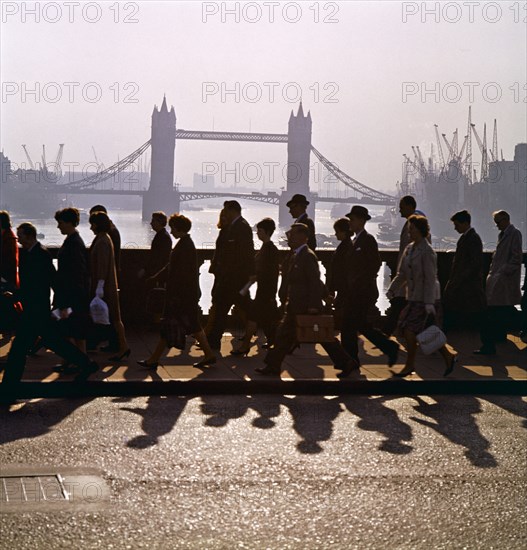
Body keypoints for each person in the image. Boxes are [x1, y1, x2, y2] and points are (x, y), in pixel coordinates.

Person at [1, 223, 98, 391]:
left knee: (19, 348)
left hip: (35, 310)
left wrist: (16, 295)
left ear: (30, 236)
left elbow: (41, 285)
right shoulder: (34, 253)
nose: (19, 239)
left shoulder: (39, 255)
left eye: (21, 236)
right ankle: (86, 364)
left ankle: (9, 386)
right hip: (36, 309)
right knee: (53, 342)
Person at [256, 223, 358, 377]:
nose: (289, 237)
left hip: (305, 306)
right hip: (295, 305)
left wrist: (314, 305)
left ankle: (346, 362)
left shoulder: (307, 256)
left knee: (323, 336)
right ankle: (273, 365)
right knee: (284, 335)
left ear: (302, 237)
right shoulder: (296, 254)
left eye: (292, 234)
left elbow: (314, 281)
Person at [137, 214, 216, 368]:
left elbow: (178, 273)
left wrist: (159, 281)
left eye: (172, 228)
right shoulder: (186, 244)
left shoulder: (184, 246)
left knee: (172, 326)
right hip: (185, 295)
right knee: (192, 325)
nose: (171, 231)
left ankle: (153, 360)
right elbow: (172, 268)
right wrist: (156, 277)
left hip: (180, 296)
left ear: (179, 229)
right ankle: (209, 354)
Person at [387, 215, 457, 377]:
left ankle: (410, 365)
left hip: (426, 299)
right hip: (413, 297)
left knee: (409, 331)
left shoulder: (427, 251)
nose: (409, 232)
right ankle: (448, 356)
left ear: (420, 230)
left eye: (412, 229)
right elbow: (402, 273)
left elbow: (430, 278)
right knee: (424, 331)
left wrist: (429, 303)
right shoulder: (409, 249)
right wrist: (392, 289)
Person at [341, 206, 399, 368]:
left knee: (348, 326)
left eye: (352, 219)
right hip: (355, 292)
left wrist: (360, 281)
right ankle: (389, 347)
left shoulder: (368, 240)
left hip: (362, 292)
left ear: (361, 220)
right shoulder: (355, 241)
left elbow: (374, 264)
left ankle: (350, 360)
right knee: (360, 325)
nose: (350, 223)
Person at [207, 201, 255, 350]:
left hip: (236, 278)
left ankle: (214, 341)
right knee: (226, 308)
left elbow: (246, 254)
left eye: (226, 210)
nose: (224, 213)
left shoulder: (242, 227)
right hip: (230, 278)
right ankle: (214, 340)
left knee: (238, 309)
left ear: (233, 210)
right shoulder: (232, 226)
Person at [475, 210, 523, 355]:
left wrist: (503, 271)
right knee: (500, 310)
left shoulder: (514, 234)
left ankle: (490, 344)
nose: (497, 226)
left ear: (506, 219)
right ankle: (497, 338)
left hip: (503, 280)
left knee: (496, 311)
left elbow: (516, 257)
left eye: (498, 222)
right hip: (499, 280)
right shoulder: (504, 234)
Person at [231, 217, 280, 354]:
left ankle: (245, 346)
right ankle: (275, 341)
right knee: (267, 319)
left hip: (265, 290)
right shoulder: (268, 248)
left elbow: (269, 272)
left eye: (259, 230)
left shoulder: (269, 249)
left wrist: (255, 277)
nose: (257, 233)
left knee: (254, 317)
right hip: (265, 290)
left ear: (266, 232)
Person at [53, 207, 91, 371]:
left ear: (69, 223)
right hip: (74, 294)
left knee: (74, 329)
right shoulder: (74, 240)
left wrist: (66, 298)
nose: (58, 227)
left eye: (60, 223)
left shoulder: (73, 243)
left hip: (72, 295)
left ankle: (78, 361)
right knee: (71, 329)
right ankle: (72, 360)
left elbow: (76, 273)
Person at [89, 211, 130, 361]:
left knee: (114, 317)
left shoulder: (103, 241)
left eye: (92, 224)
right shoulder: (104, 238)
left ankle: (123, 347)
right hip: (107, 285)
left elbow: (102, 265)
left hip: (105, 286)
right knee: (114, 317)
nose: (90, 227)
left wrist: (99, 285)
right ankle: (123, 347)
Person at [384, 195, 427, 335]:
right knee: (401, 307)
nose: (399, 210)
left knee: (399, 307)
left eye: (401, 207)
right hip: (410, 280)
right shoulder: (414, 222)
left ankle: (387, 336)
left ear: (409, 206)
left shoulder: (414, 223)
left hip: (412, 280)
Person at [443, 210, 485, 331]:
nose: (455, 228)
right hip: (466, 282)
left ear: (465, 223)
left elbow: (474, 263)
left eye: (457, 225)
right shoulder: (469, 237)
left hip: (467, 283)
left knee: (469, 310)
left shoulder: (472, 238)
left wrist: (458, 279)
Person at [327, 217, 353, 328]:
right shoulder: (347, 245)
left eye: (337, 231)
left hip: (344, 285)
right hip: (344, 285)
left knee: (340, 311)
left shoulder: (345, 247)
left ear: (344, 232)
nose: (335, 234)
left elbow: (342, 268)